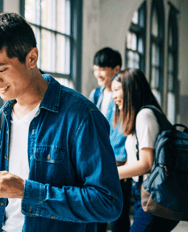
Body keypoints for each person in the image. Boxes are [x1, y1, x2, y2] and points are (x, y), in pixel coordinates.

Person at [0, 12, 123, 232]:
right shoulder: (4, 115)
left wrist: (26, 190)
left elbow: (108, 202)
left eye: (1, 69)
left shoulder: (81, 116)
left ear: (32, 58)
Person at [111, 69, 180, 232]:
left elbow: (146, 163)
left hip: (155, 193)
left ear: (130, 90)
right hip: (145, 192)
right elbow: (136, 159)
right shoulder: (140, 116)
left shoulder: (145, 115)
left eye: (116, 90)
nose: (113, 96)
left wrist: (111, 172)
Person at [89, 47, 131, 232]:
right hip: (97, 163)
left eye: (103, 68)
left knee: (118, 217)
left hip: (119, 162)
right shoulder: (95, 94)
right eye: (96, 68)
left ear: (116, 69)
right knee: (97, 214)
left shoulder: (124, 95)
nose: (98, 73)